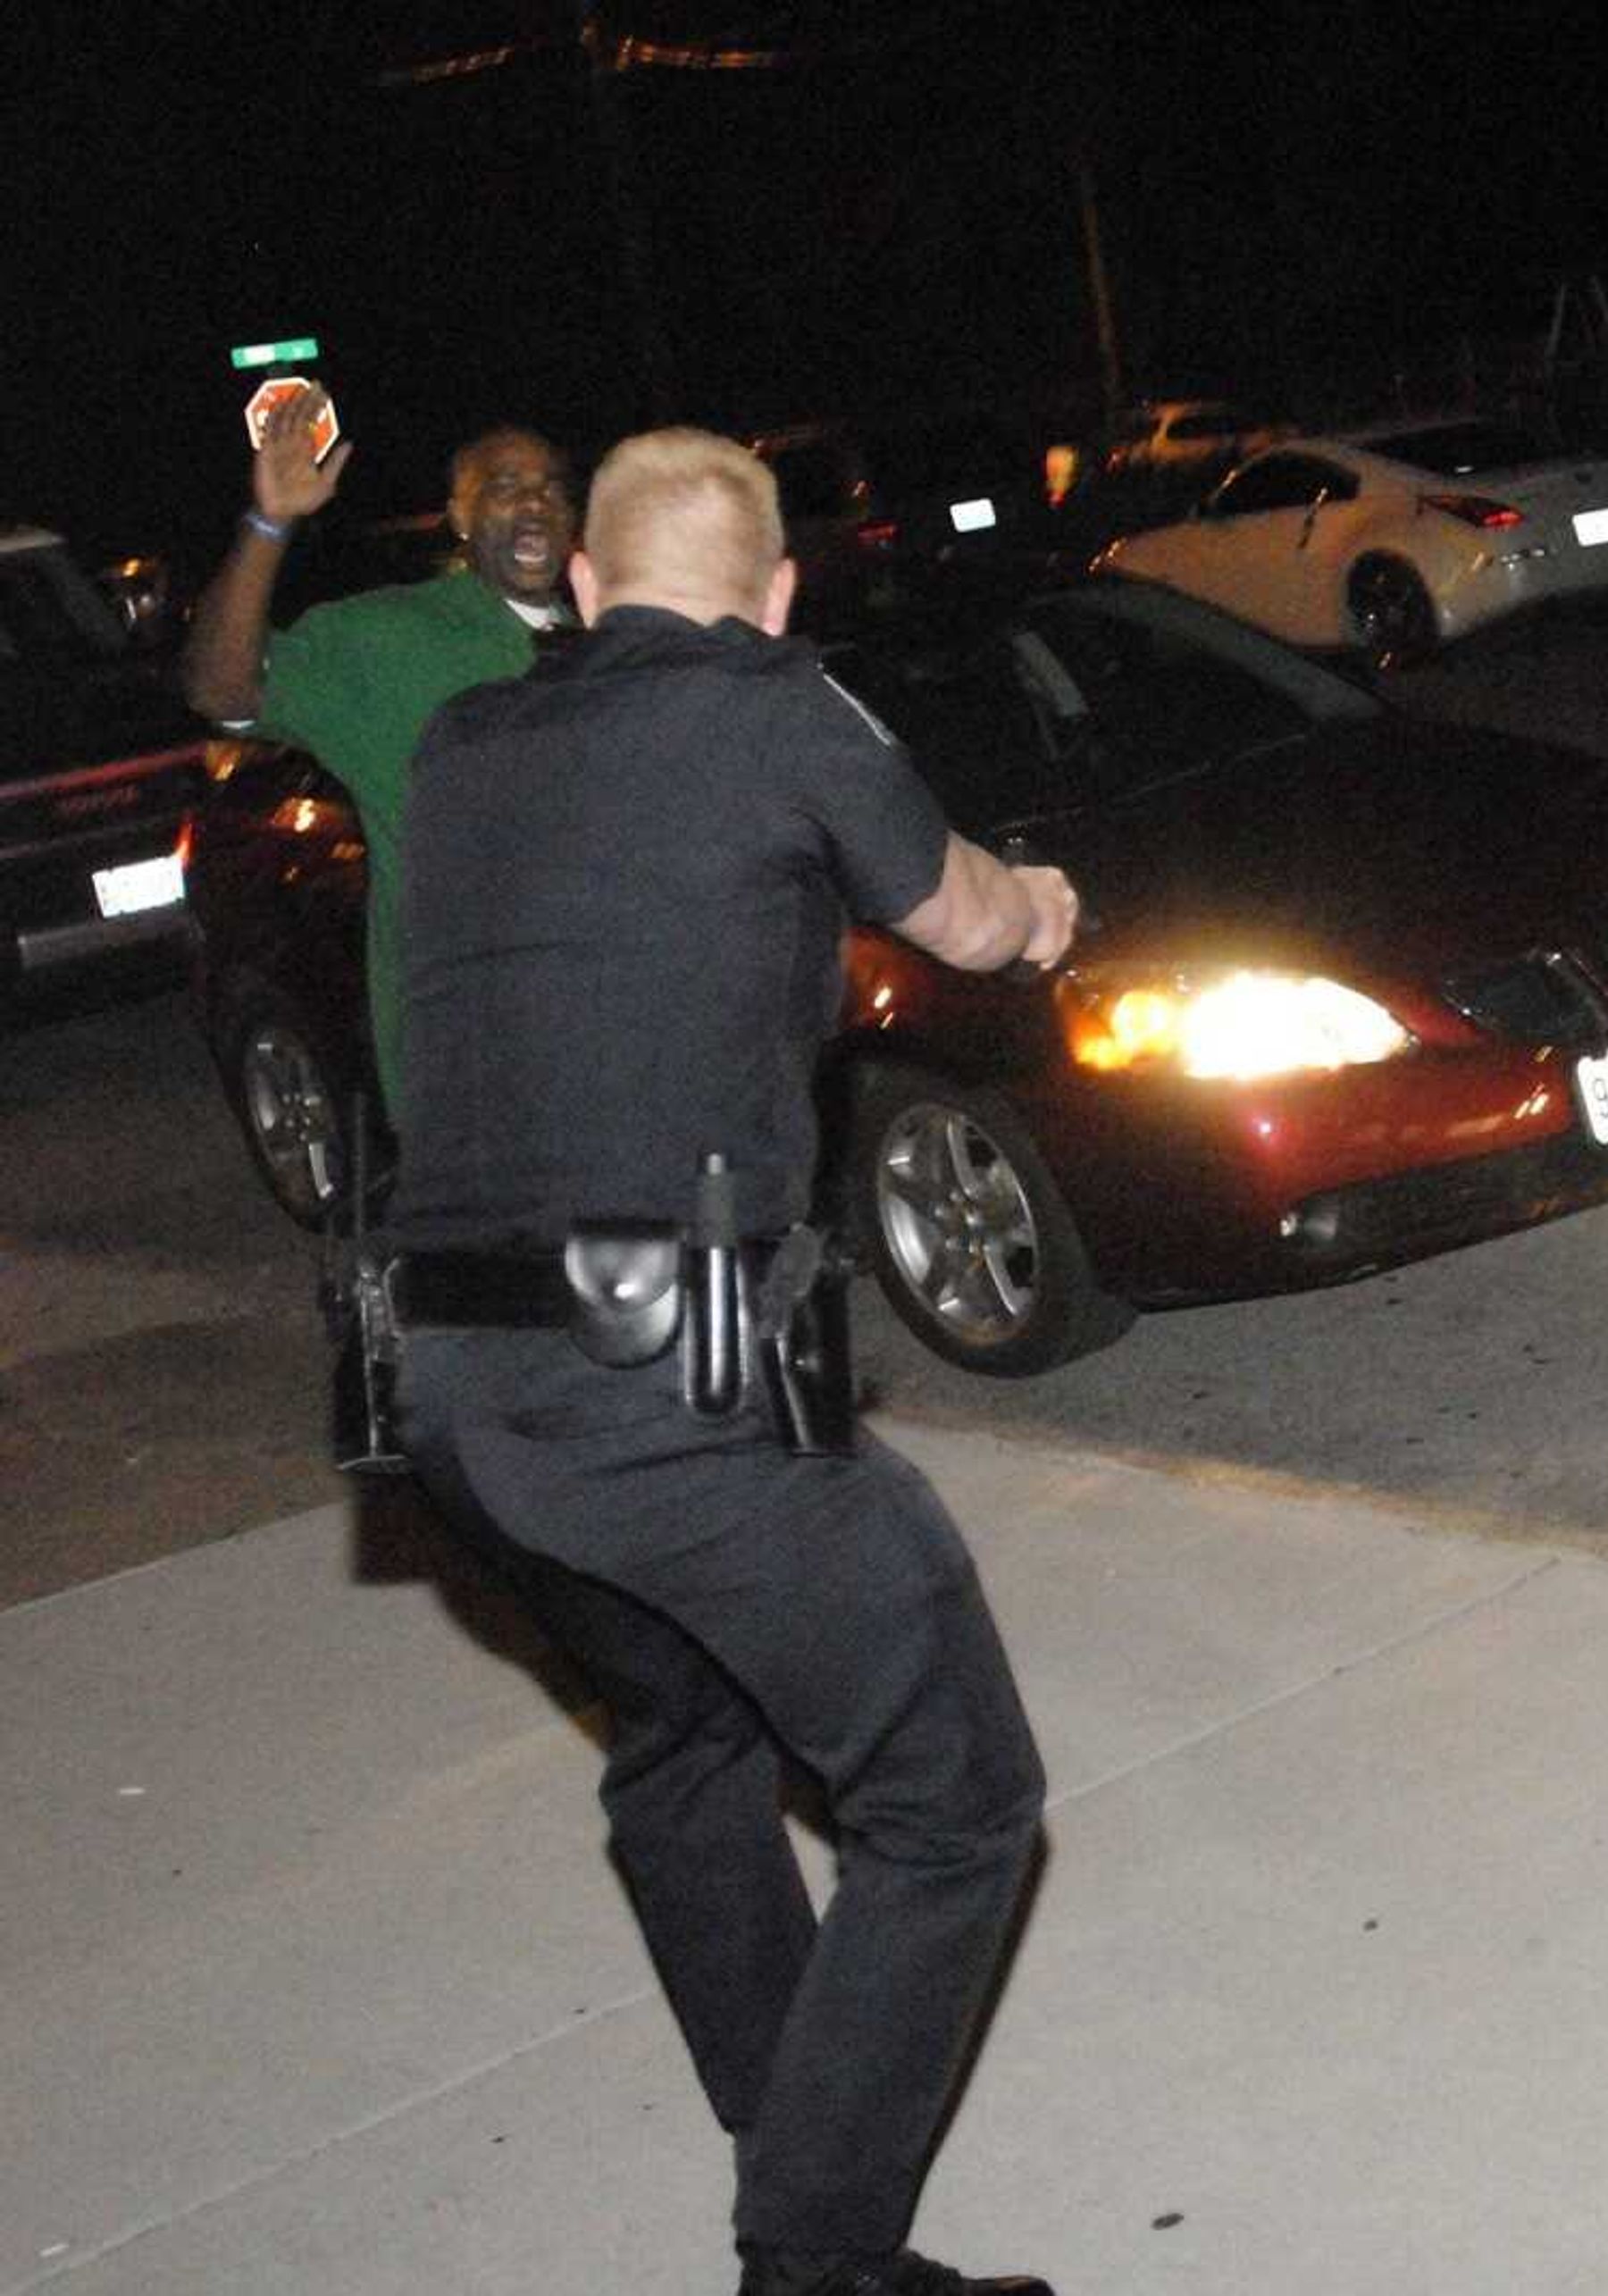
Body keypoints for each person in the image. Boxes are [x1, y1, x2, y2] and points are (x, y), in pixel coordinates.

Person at [385, 428, 1079, 2296]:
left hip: (440, 1386)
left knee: (686, 1736)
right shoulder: (785, 708)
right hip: (663, 1375)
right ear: (777, 596)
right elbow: (972, 916)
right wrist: (1040, 900)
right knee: (956, 1801)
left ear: (589, 590)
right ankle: (815, 2256)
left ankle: (796, 2114)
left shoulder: (460, 748)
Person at [180, 390, 580, 1113]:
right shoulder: (389, 638)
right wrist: (269, 523)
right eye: (504, 486)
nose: (534, 502)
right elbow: (219, 687)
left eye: (551, 486)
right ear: (458, 517)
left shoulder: (610, 633)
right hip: (478, 1081)